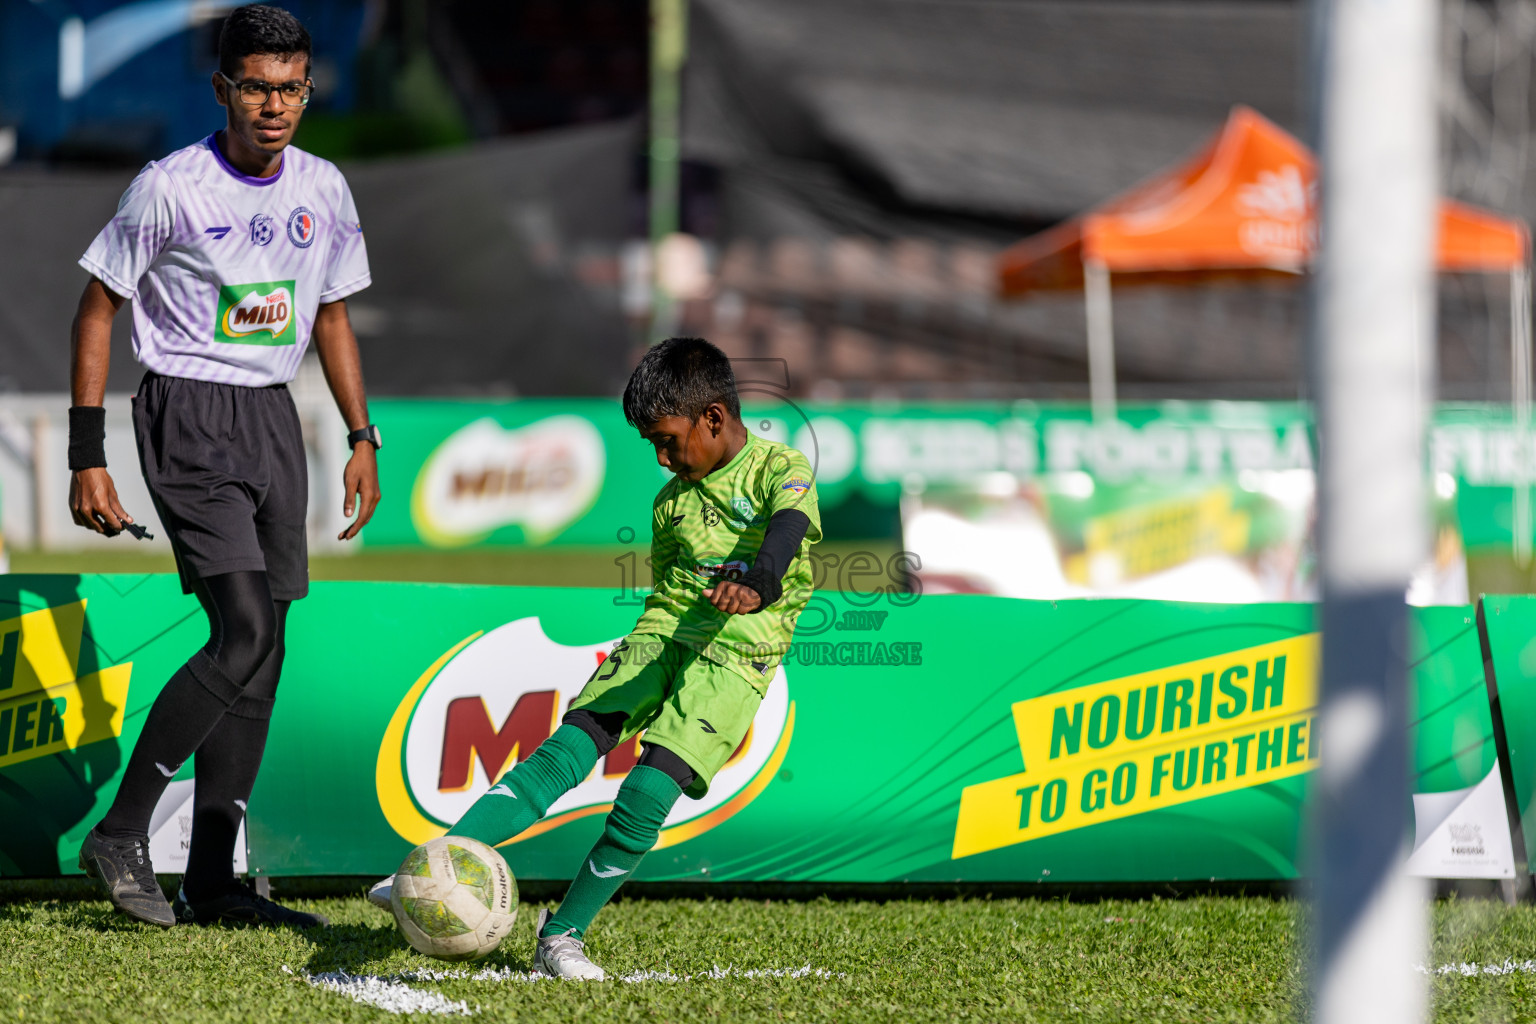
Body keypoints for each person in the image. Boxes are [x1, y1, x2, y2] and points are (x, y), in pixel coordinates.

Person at [369, 337, 821, 979]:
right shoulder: (671, 503)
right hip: (660, 640)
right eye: (652, 447)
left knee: (646, 795)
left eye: (668, 441)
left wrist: (759, 581)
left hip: (735, 663)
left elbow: (788, 528)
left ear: (713, 419)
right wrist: (640, 648)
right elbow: (669, 591)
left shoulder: (781, 467)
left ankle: (561, 937)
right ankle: (434, 866)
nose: (662, 459)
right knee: (563, 754)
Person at [70, 4, 381, 928]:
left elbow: (331, 316)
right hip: (187, 413)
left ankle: (212, 878)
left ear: (306, 90)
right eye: (257, 86)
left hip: (273, 418)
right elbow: (96, 311)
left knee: (269, 646)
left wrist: (364, 438)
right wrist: (88, 455)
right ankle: (121, 831)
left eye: (291, 88)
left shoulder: (323, 188)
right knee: (239, 629)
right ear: (223, 89)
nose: (275, 104)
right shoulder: (169, 186)